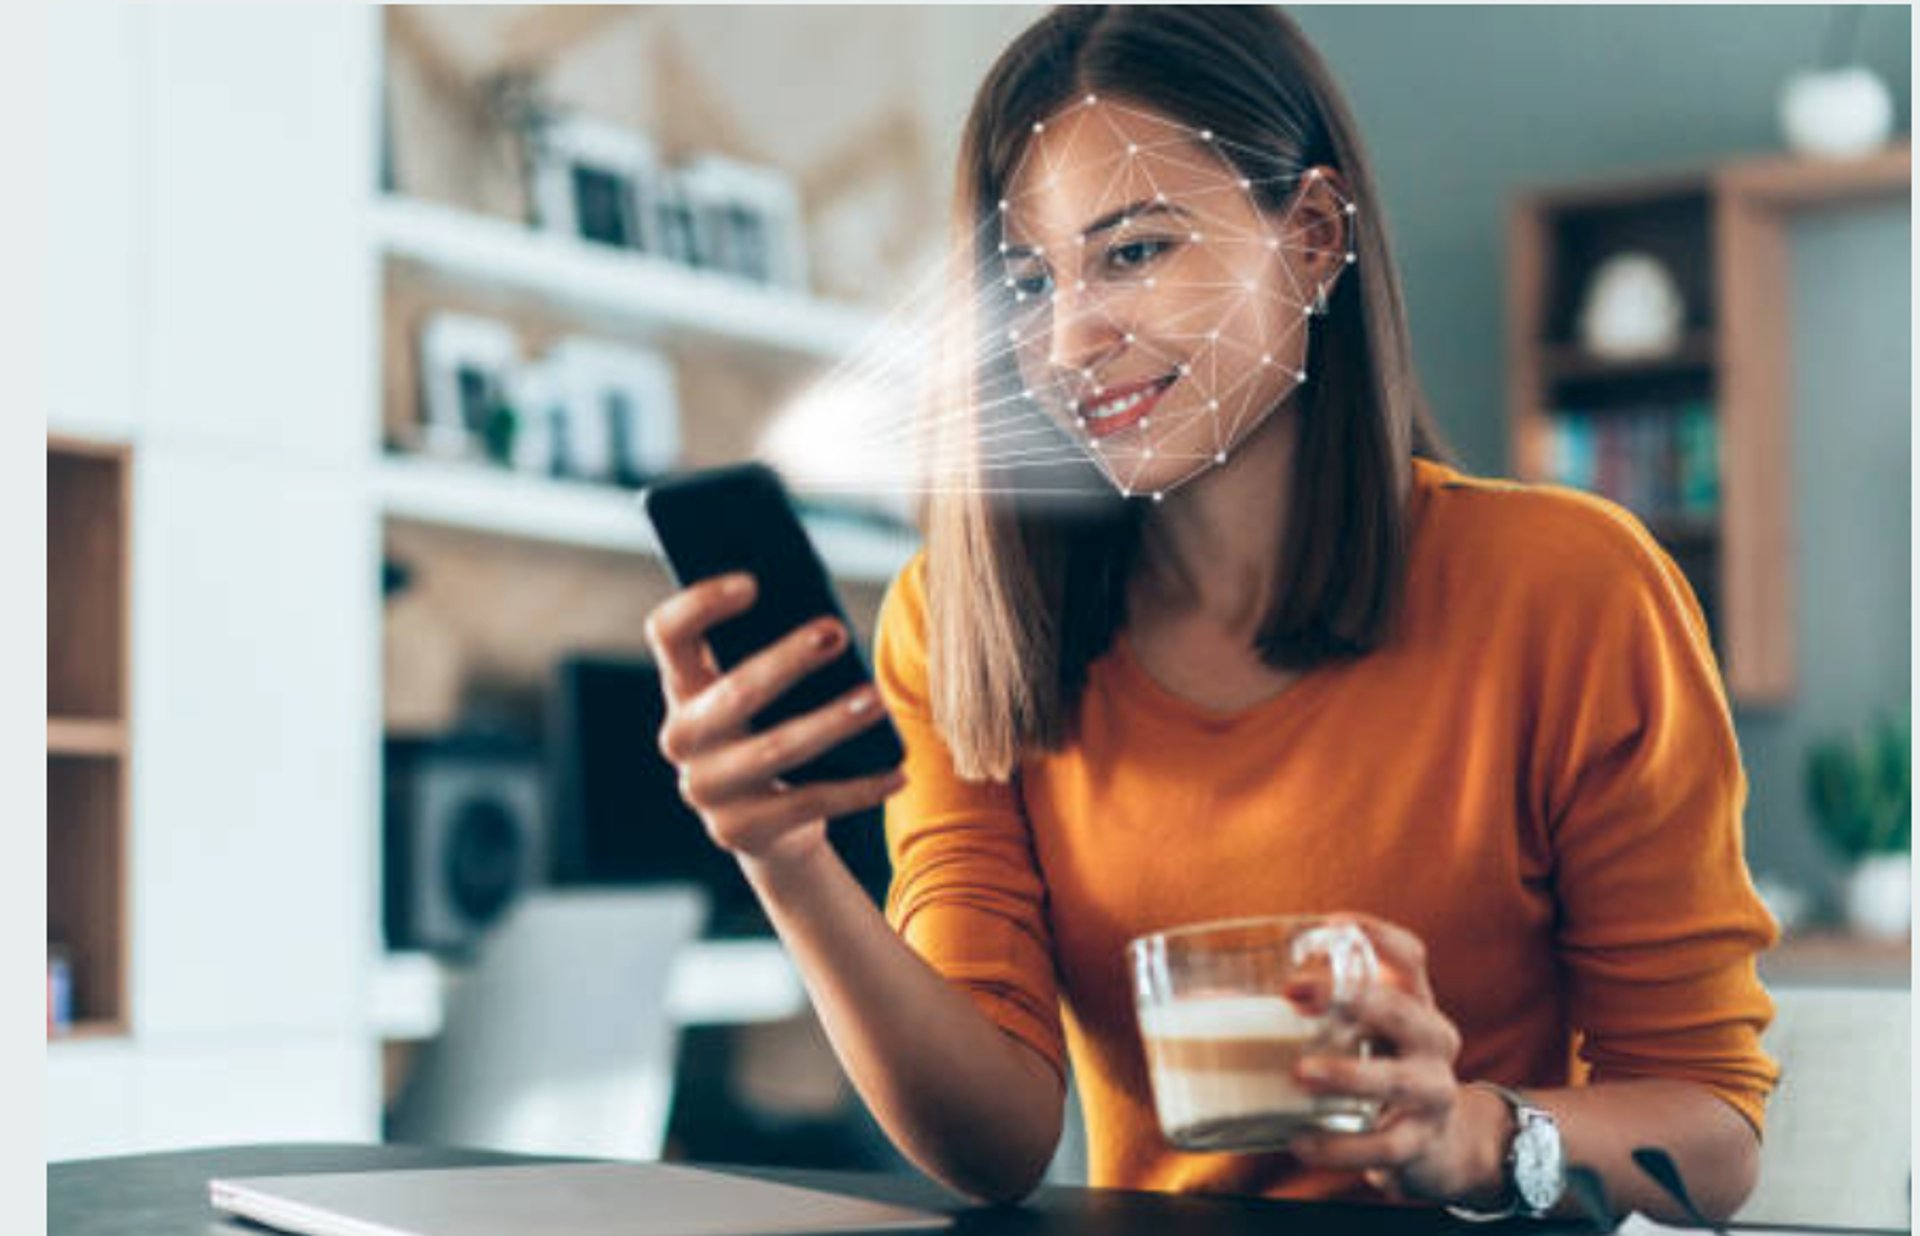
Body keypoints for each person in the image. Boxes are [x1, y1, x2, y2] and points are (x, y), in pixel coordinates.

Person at [644, 5, 1777, 1222]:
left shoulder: (1571, 588)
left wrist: (1474, 1135)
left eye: (1134, 251)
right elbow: (995, 1147)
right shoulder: (965, 626)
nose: (1072, 338)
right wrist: (786, 862)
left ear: (1313, 237)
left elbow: (1713, 1134)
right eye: (1028, 280)